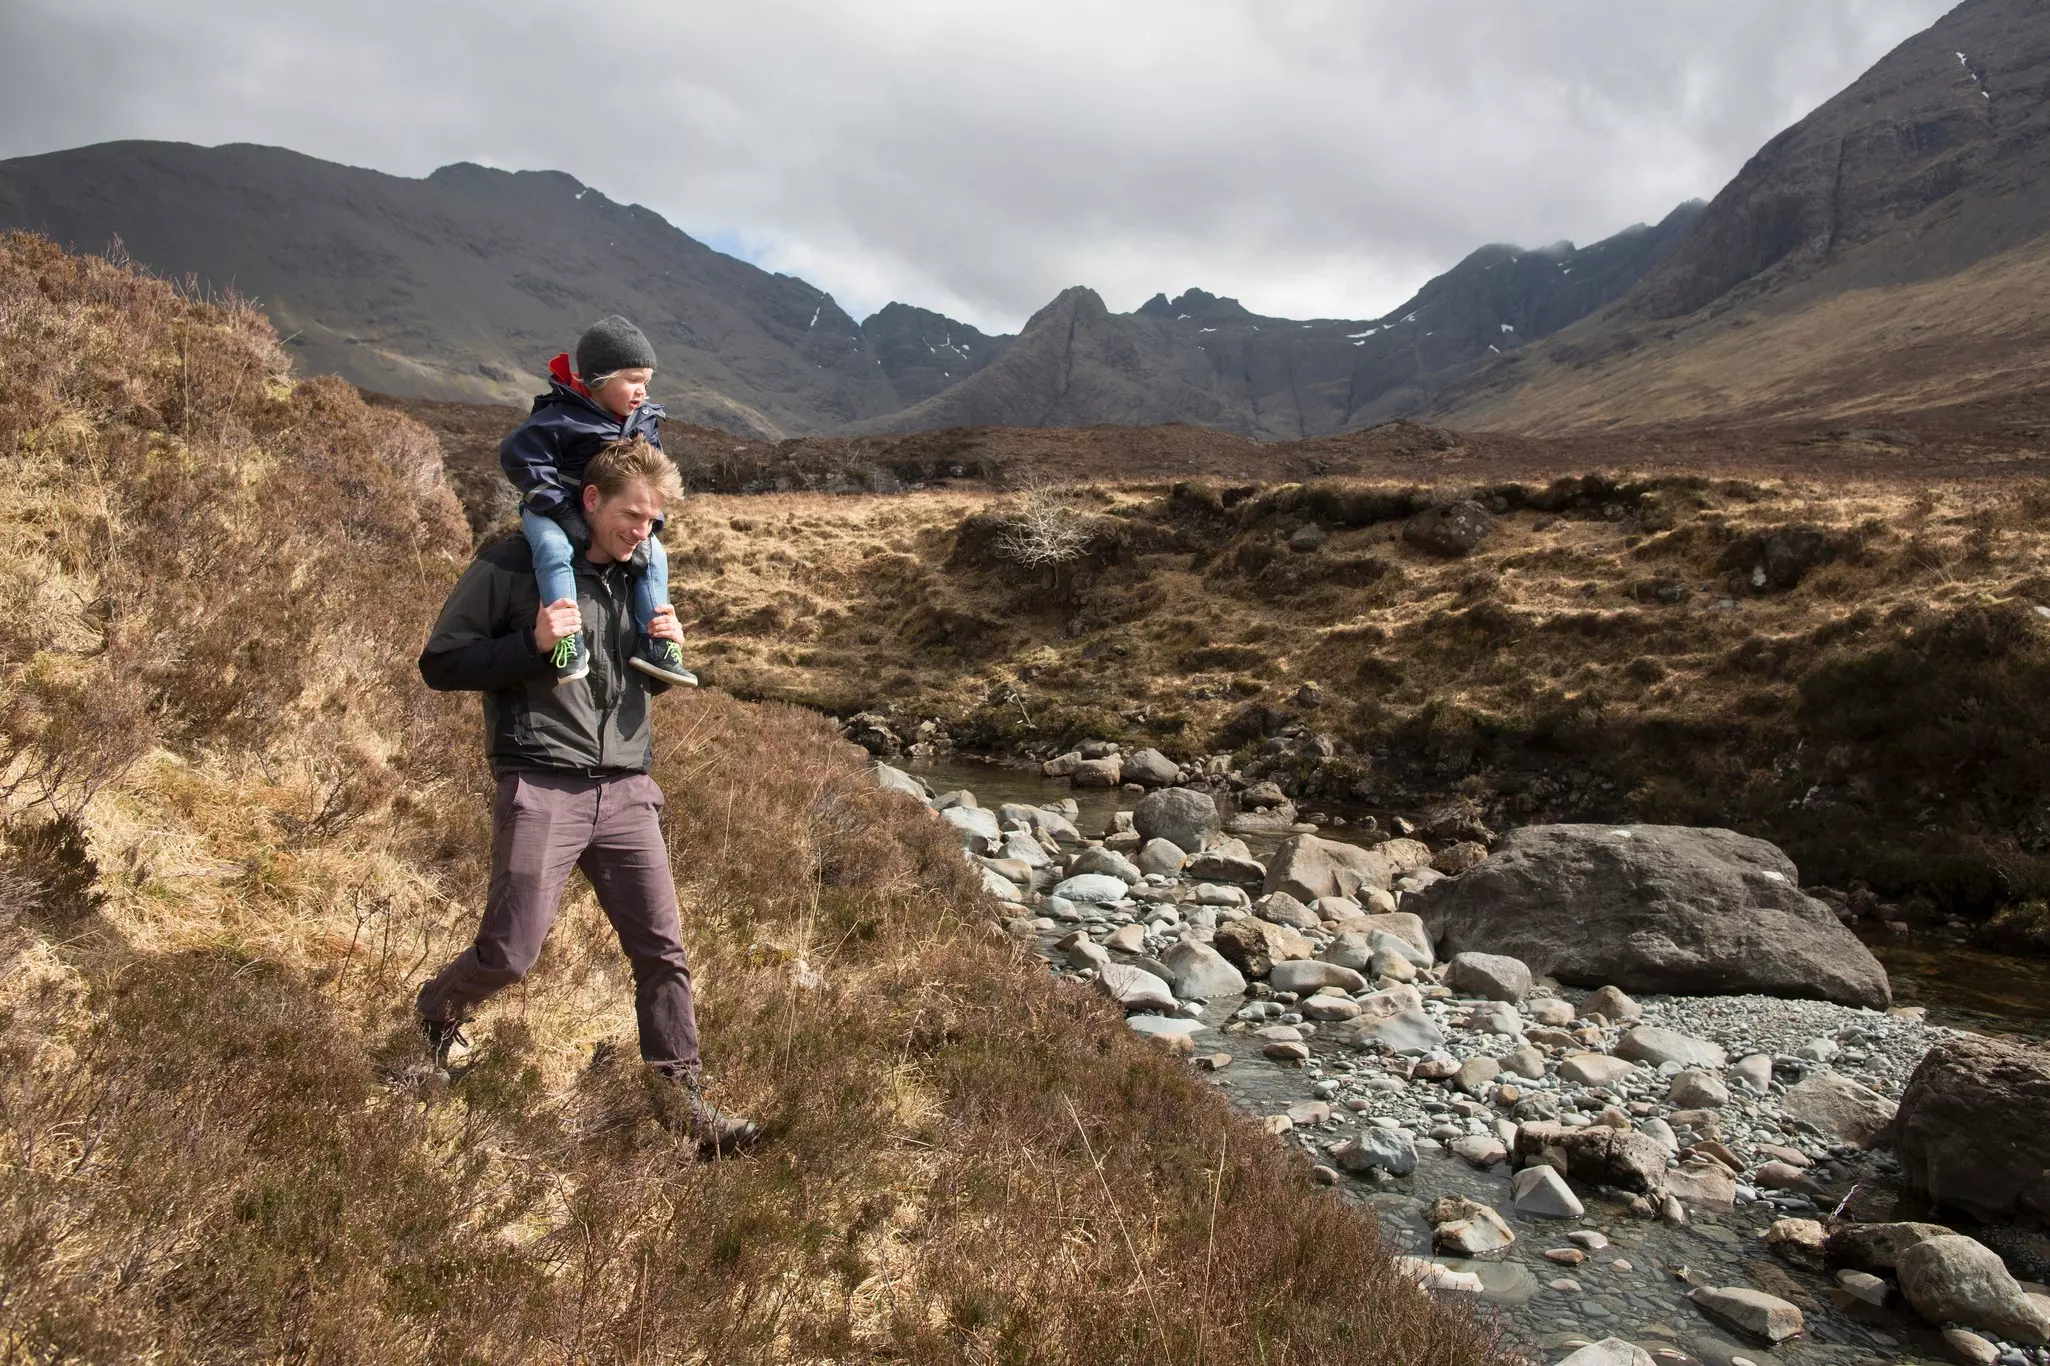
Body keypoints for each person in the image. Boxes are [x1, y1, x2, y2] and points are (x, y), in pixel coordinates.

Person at [413, 437, 757, 1155]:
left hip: (628, 787)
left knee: (662, 951)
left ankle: (680, 1099)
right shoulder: (513, 563)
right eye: (634, 515)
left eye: (655, 522)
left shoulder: (640, 578)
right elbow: (441, 663)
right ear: (593, 500)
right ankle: (437, 1016)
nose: (644, 532)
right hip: (542, 781)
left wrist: (668, 653)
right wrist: (532, 644)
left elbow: (629, 679)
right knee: (510, 953)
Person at [500, 314, 696, 688]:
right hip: (552, 510)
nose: (642, 392)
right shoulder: (561, 417)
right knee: (555, 549)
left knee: (657, 556)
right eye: (633, 380)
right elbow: (517, 454)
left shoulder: (643, 419)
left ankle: (658, 644)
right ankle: (566, 641)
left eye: (647, 383)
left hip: (609, 516)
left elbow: (652, 474)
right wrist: (557, 506)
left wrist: (651, 522)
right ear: (600, 379)